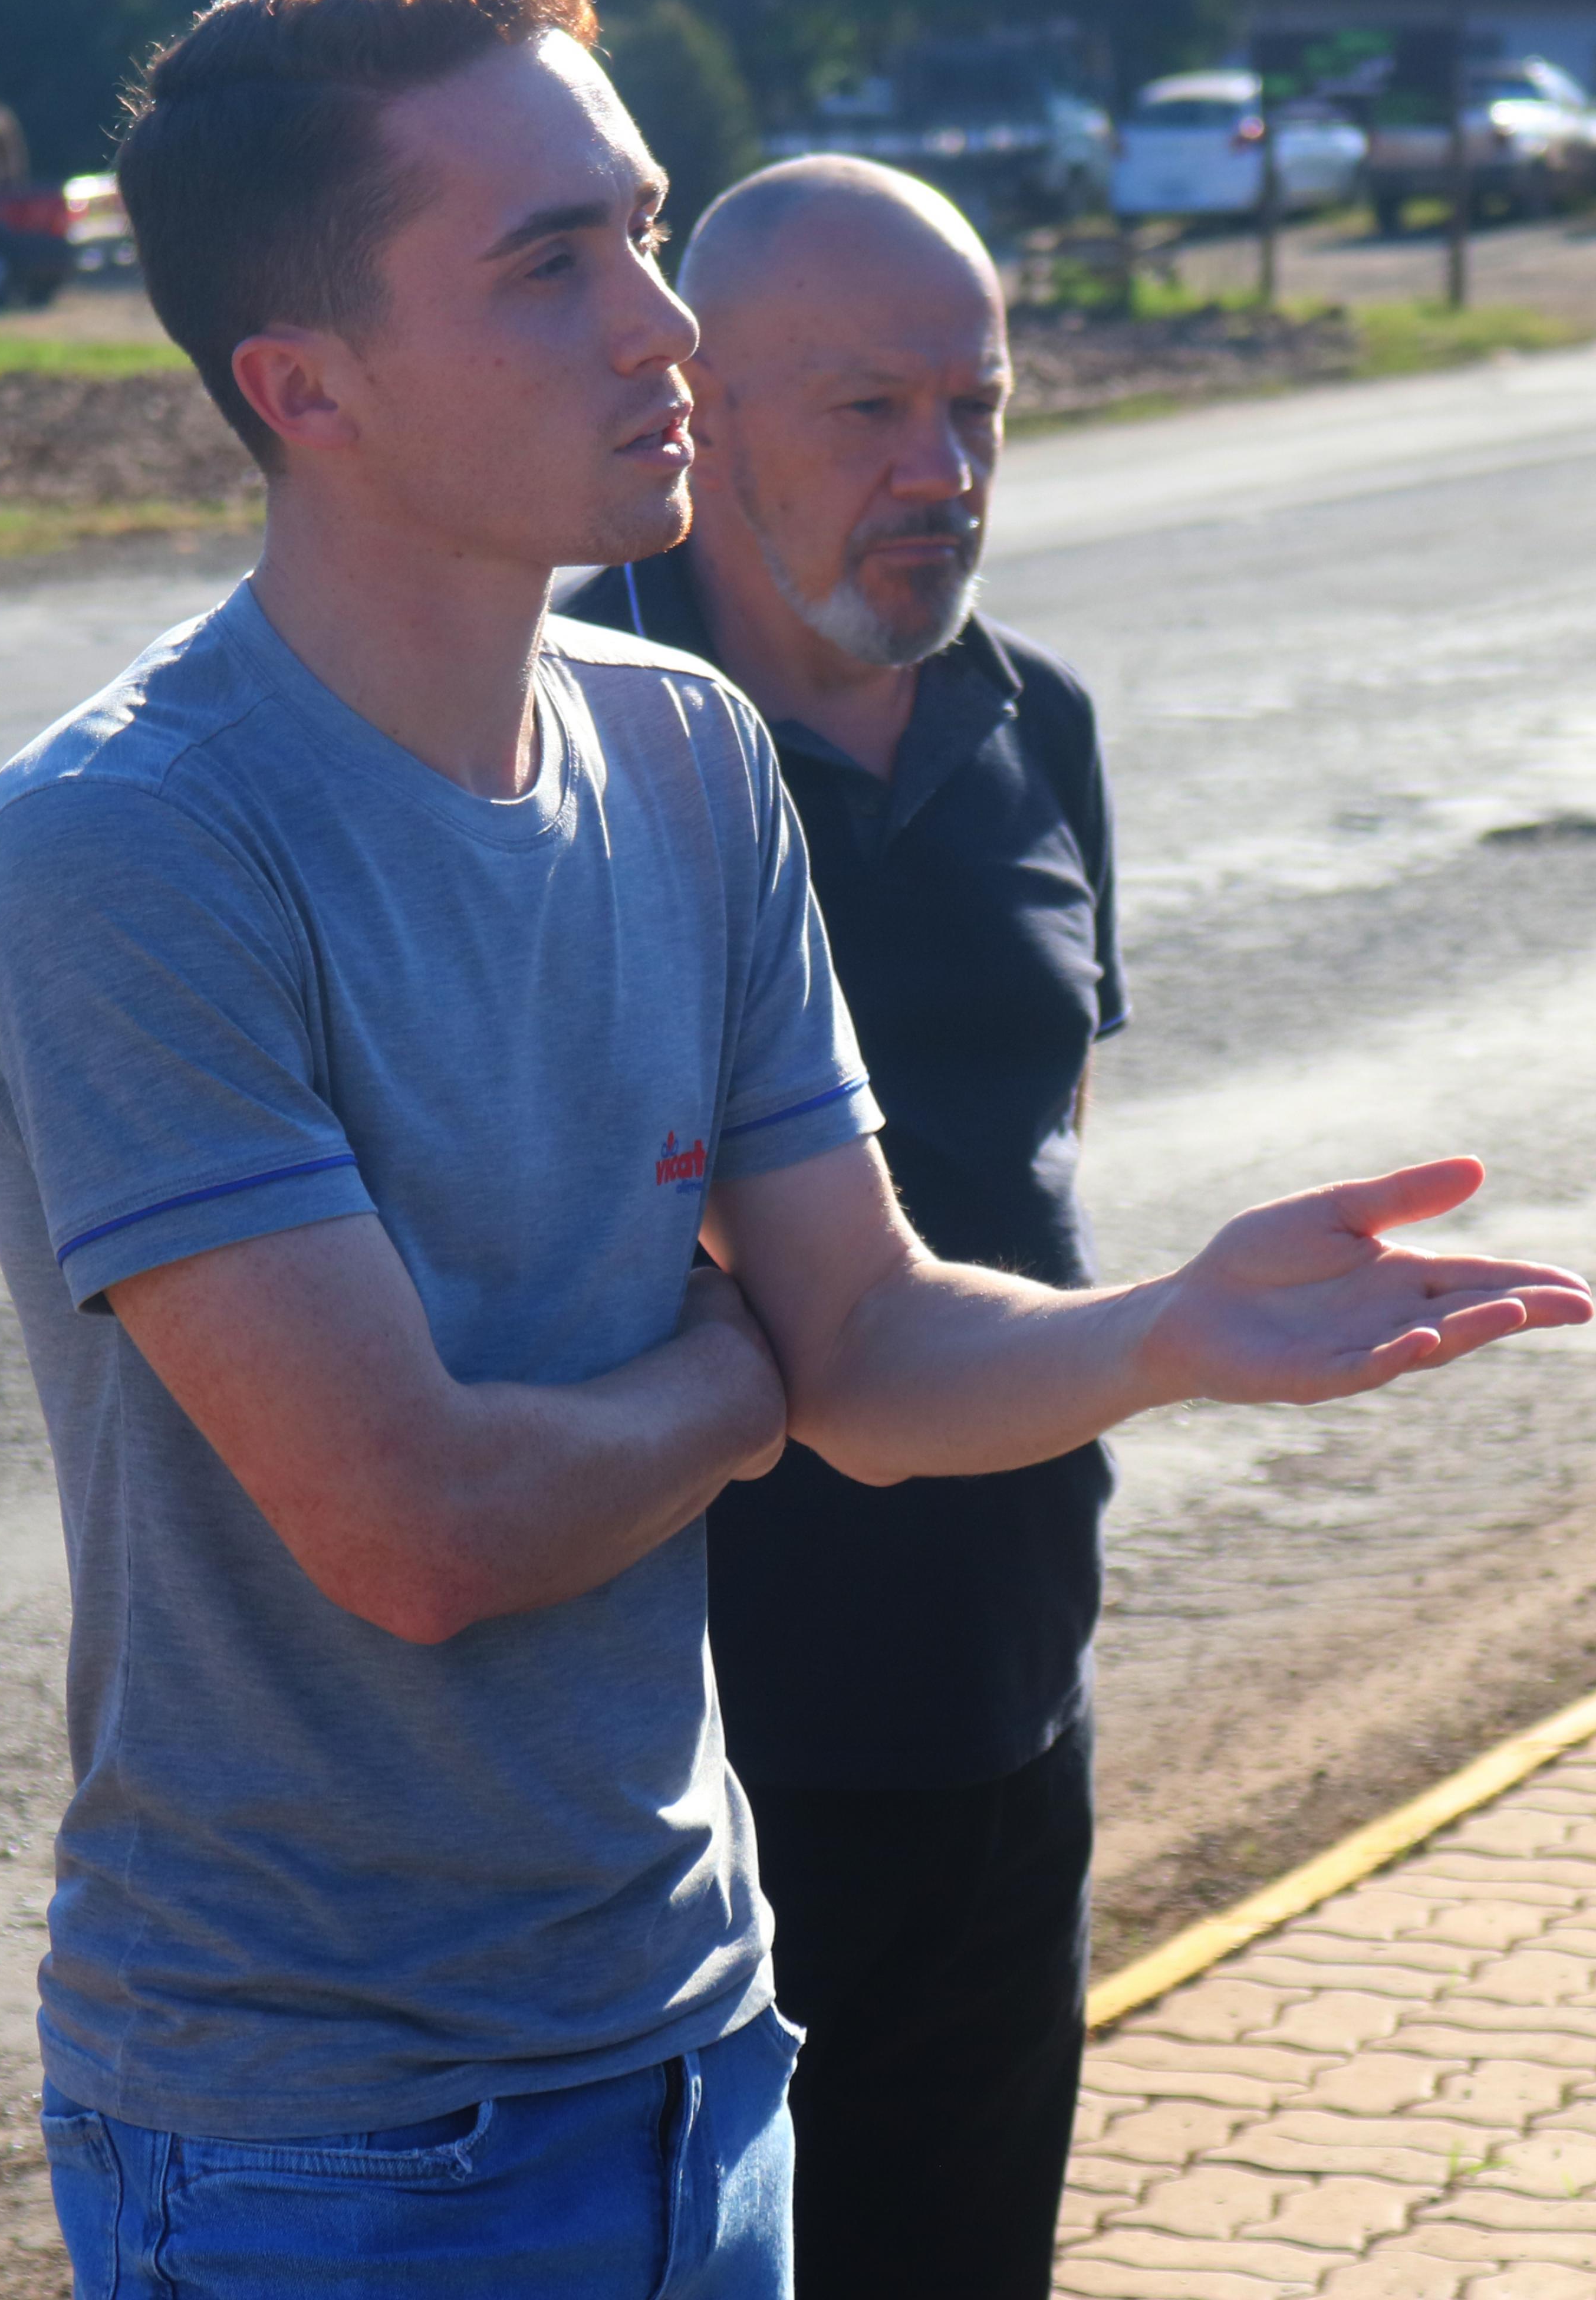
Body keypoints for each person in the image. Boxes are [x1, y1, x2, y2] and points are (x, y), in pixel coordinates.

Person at [0, 0, 1595, 2300]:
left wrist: (1163, 1331)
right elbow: (420, 1530)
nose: (663, 325)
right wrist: (739, 1382)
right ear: (304, 384)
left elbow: (874, 1340)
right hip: (335, 2142)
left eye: (644, 226)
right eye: (553, 263)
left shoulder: (691, 754)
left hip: (701, 2044)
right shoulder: (135, 844)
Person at [559, 156, 1109, 2298]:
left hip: (1006, 1709)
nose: (941, 471)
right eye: (870, 410)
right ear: (702, 409)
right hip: (689, 1774)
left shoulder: (1034, 723)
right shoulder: (559, 749)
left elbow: (1037, 1145)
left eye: (977, 408)